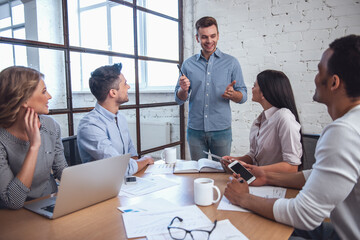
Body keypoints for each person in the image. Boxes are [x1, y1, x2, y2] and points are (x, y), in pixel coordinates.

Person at [224, 35, 360, 240]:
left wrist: (245, 199)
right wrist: (266, 176)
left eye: (318, 70)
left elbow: (304, 214)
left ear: (334, 82)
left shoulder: (344, 131)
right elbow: (318, 175)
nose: (314, 77)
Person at [175, 16, 247, 161]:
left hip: (221, 130)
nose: (209, 41)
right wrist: (183, 89)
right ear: (197, 38)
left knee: (221, 172)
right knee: (198, 172)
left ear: (218, 35)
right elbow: (179, 99)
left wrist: (233, 94)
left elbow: (243, 96)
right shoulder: (188, 65)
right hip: (195, 131)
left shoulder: (231, 63)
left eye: (213, 36)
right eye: (204, 37)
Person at [0, 66, 68, 209]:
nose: (49, 96)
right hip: (17, 214)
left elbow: (61, 169)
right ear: (23, 100)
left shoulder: (51, 126)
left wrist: (88, 187)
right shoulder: (2, 139)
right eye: (44, 91)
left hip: (50, 203)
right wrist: (34, 146)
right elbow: (13, 201)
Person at [77, 63, 154, 176]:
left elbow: (132, 154)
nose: (128, 87)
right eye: (125, 84)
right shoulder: (90, 126)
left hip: (125, 183)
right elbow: (120, 168)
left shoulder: (120, 118)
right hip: (102, 189)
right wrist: (146, 160)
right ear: (113, 92)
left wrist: (135, 165)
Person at [222, 70, 302, 173]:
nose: (252, 89)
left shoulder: (284, 117)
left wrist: (253, 169)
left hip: (275, 184)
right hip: (259, 181)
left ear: (263, 93)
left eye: (254, 86)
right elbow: (254, 156)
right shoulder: (260, 119)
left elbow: (292, 167)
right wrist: (236, 160)